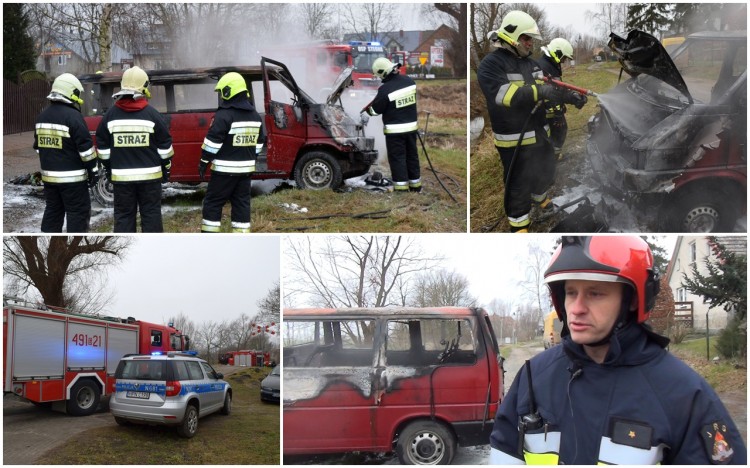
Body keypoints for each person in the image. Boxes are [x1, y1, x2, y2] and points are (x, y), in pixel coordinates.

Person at [490, 236, 747, 464]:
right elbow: (504, 454)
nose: (577, 308)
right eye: (570, 292)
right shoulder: (534, 377)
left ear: (633, 299)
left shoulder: (683, 392)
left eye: (595, 293)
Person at [477, 11, 585, 232]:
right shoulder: (490, 64)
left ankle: (541, 199)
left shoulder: (529, 64)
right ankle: (519, 225)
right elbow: (504, 96)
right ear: (512, 36)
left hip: (537, 132)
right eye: (527, 38)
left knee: (545, 168)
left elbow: (550, 89)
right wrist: (540, 91)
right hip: (513, 138)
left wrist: (570, 97)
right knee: (518, 183)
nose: (530, 43)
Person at [96, 66, 173, 232]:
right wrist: (165, 169)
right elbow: (165, 148)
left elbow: (102, 148)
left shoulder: (110, 116)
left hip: (122, 180)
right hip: (150, 180)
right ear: (144, 87)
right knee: (151, 215)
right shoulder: (153, 115)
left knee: (124, 216)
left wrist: (109, 169)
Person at [198, 72, 265, 233]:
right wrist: (251, 158)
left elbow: (212, 143)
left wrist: (204, 161)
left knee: (213, 203)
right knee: (241, 204)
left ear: (229, 91)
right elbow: (260, 142)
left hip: (223, 172)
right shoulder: (255, 116)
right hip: (245, 171)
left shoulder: (223, 115)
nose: (221, 96)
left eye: (222, 92)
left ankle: (209, 236)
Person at [33, 73, 98, 232]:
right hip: (73, 181)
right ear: (71, 92)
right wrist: (93, 171)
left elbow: (37, 148)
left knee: (53, 212)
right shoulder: (74, 117)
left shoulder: (42, 116)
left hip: (50, 180)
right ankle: (76, 242)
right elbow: (86, 150)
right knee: (77, 214)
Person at [364, 57, 421, 193]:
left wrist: (368, 110)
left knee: (398, 158)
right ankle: (415, 186)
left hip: (395, 132)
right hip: (411, 128)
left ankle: (401, 189)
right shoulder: (409, 81)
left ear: (383, 73)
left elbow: (375, 110)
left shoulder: (385, 89)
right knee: (412, 156)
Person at [536, 38, 584, 160]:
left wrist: (573, 97)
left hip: (554, 111)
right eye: (563, 57)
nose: (564, 61)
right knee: (553, 135)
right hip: (547, 113)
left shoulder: (551, 65)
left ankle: (554, 157)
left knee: (560, 132)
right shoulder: (543, 67)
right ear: (557, 53)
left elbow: (558, 90)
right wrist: (557, 112)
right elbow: (547, 93)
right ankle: (550, 160)